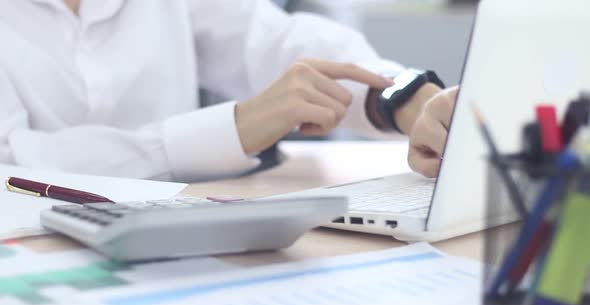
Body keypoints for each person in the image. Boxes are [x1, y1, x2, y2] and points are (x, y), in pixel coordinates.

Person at [0, 0, 457, 182]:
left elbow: (275, 40)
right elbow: (14, 160)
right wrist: (232, 128)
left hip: (182, 236)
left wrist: (405, 97)